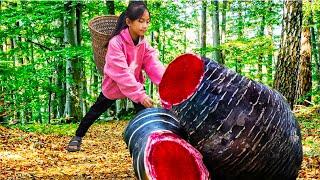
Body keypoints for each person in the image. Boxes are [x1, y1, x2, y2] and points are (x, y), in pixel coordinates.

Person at [67, 1, 165, 152]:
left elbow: (153, 64)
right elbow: (121, 72)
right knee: (95, 112)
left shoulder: (143, 43)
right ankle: (77, 137)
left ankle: (152, 146)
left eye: (147, 22)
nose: (145, 25)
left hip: (134, 87)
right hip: (114, 86)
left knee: (146, 116)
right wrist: (140, 95)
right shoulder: (116, 43)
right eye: (140, 21)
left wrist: (165, 82)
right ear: (128, 22)